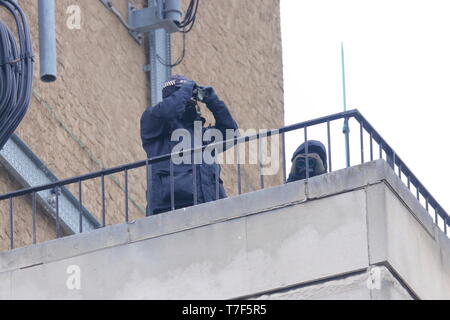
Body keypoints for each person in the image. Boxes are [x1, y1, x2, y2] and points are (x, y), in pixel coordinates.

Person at [140, 75, 238, 215]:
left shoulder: (201, 133)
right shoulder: (153, 119)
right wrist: (187, 87)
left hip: (212, 205)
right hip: (170, 207)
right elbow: (169, 111)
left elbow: (231, 134)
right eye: (186, 93)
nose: (191, 98)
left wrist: (212, 101)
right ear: (175, 94)